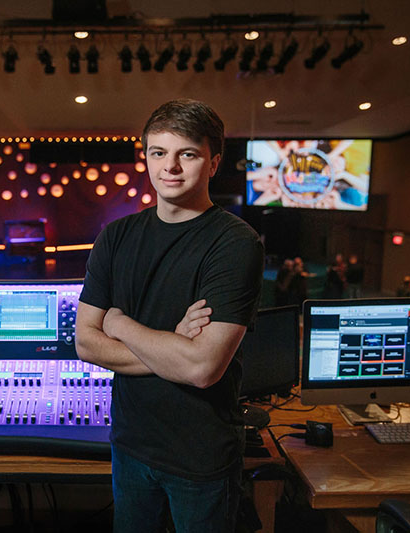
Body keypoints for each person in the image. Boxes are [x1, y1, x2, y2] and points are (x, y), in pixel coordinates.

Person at [75, 99, 264, 533]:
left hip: (201, 456)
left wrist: (119, 324)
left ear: (213, 162)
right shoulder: (115, 236)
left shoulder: (235, 244)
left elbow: (201, 368)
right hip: (131, 447)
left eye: (188, 154)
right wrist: (172, 344)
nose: (170, 167)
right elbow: (86, 342)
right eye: (158, 152)